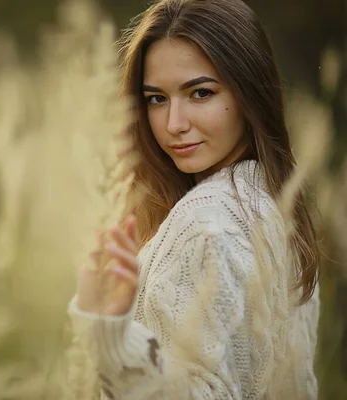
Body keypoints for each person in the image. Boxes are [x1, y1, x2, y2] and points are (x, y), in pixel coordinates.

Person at [67, 0, 320, 398]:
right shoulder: (276, 210)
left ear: (248, 91)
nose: (174, 125)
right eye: (156, 99)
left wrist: (108, 334)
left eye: (200, 93)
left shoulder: (206, 224)